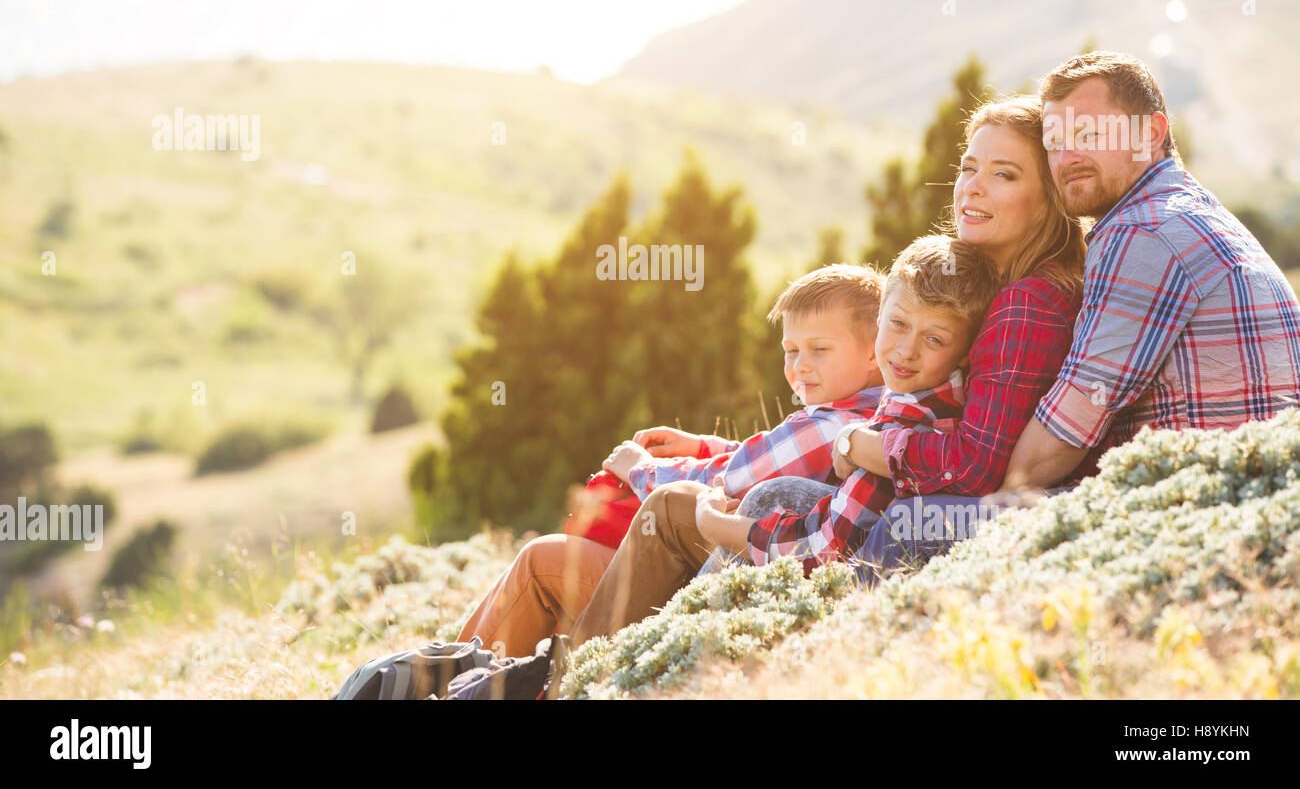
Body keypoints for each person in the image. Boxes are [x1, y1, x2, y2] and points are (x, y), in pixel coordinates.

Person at [840, 50, 1300, 575]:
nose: (1068, 158)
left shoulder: (1142, 232)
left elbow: (1056, 443)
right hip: (1240, 491)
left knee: (910, 523)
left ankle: (845, 645)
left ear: (1151, 134)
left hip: (1202, 513)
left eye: (1090, 135)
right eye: (1056, 142)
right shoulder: (1175, 209)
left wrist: (971, 489)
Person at [568, 233, 1005, 644]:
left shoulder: (906, 425)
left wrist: (721, 526)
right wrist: (706, 447)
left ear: (964, 350)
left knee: (756, 497)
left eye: (934, 339)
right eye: (897, 325)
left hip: (825, 578)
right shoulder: (906, 400)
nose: (907, 350)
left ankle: (632, 664)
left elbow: (828, 549)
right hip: (821, 553)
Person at [456, 263, 889, 656]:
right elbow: (761, 459)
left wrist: (640, 469)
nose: (800, 367)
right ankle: (483, 674)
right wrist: (702, 445)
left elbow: (731, 479)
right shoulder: (855, 417)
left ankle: (476, 676)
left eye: (819, 349)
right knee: (545, 559)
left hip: (713, 568)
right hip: (732, 558)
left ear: (874, 352)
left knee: (539, 563)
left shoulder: (830, 426)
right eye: (791, 351)